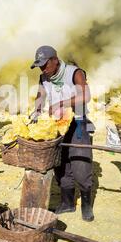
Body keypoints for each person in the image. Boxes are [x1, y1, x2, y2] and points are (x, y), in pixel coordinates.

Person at [30, 45, 95, 222]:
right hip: (57, 125)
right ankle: (67, 203)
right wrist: (36, 112)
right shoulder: (43, 77)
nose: (43, 69)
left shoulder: (75, 73)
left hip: (78, 123)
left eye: (45, 65)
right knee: (61, 165)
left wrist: (62, 103)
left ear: (55, 60)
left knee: (81, 165)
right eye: (40, 66)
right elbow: (41, 96)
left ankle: (87, 205)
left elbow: (86, 96)